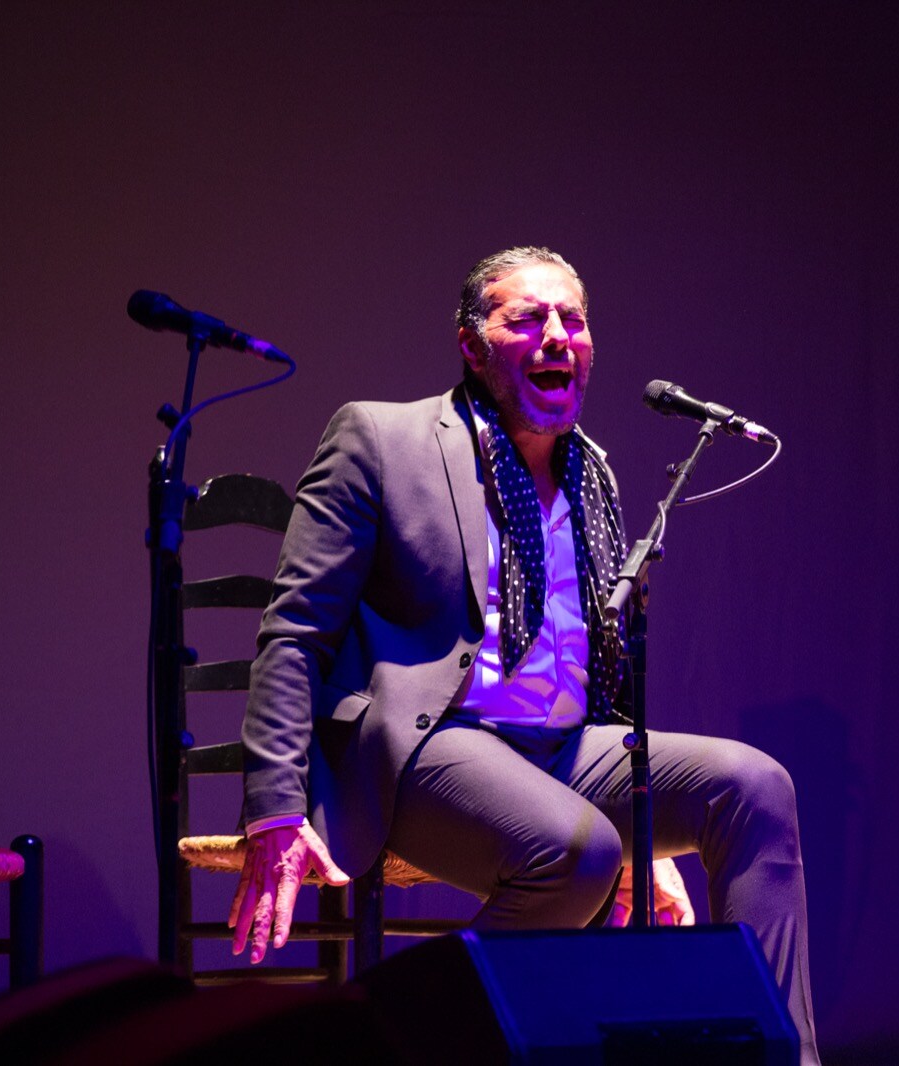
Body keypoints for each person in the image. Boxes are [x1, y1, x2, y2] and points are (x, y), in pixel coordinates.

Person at [230, 246, 818, 1063]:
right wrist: (272, 807)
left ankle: (784, 1057)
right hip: (424, 746)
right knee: (579, 849)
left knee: (754, 785)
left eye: (572, 320)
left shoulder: (594, 474)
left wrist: (649, 827)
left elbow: (595, 663)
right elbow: (295, 629)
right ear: (472, 345)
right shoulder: (382, 438)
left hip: (565, 747)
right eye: (526, 318)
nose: (556, 336)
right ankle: (398, 1038)